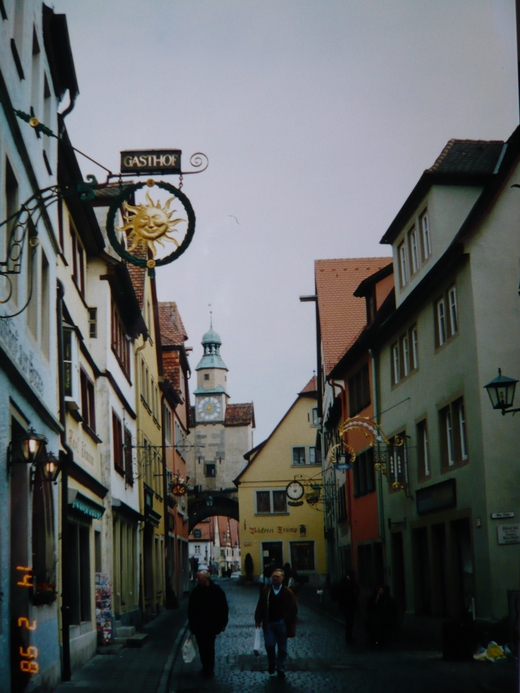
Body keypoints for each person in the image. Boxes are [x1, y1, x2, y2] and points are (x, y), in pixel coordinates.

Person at [255, 568, 298, 679]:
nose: (275, 578)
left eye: (277, 576)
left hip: (282, 623)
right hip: (269, 622)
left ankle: (281, 668)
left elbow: (294, 607)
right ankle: (272, 662)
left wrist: (289, 619)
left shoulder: (287, 592)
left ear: (282, 578)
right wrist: (258, 620)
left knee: (282, 647)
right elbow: (260, 606)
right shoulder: (266, 591)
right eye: (273, 576)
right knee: (269, 644)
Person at [188, 570, 229, 678]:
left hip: (212, 625)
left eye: (200, 578)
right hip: (199, 625)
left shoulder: (216, 590)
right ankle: (205, 666)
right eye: (198, 578)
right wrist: (192, 624)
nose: (198, 580)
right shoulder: (196, 591)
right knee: (202, 647)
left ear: (206, 579)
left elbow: (223, 607)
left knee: (209, 647)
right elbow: (191, 609)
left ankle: (209, 668)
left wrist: (223, 622)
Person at [338, 570, 360, 641]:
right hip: (348, 604)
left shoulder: (347, 580)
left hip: (349, 604)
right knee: (349, 621)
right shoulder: (347, 581)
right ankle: (349, 637)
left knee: (350, 621)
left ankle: (349, 636)